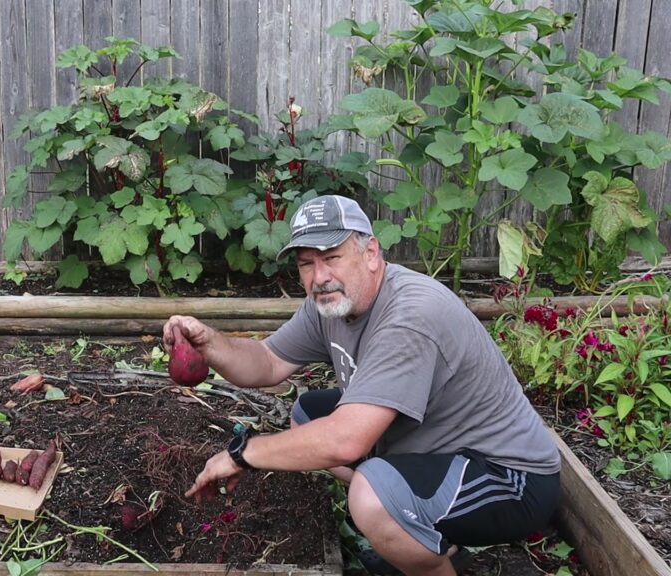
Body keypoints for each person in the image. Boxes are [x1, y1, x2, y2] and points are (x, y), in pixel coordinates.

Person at [163, 195, 560, 576]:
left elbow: (346, 442)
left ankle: (422, 546)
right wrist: (209, 343)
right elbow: (267, 363)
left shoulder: (409, 315)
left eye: (332, 257)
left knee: (369, 499)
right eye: (306, 264)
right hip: (430, 444)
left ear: (370, 253)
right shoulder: (332, 301)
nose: (319, 276)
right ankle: (413, 527)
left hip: (507, 477)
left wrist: (242, 453)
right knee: (308, 414)